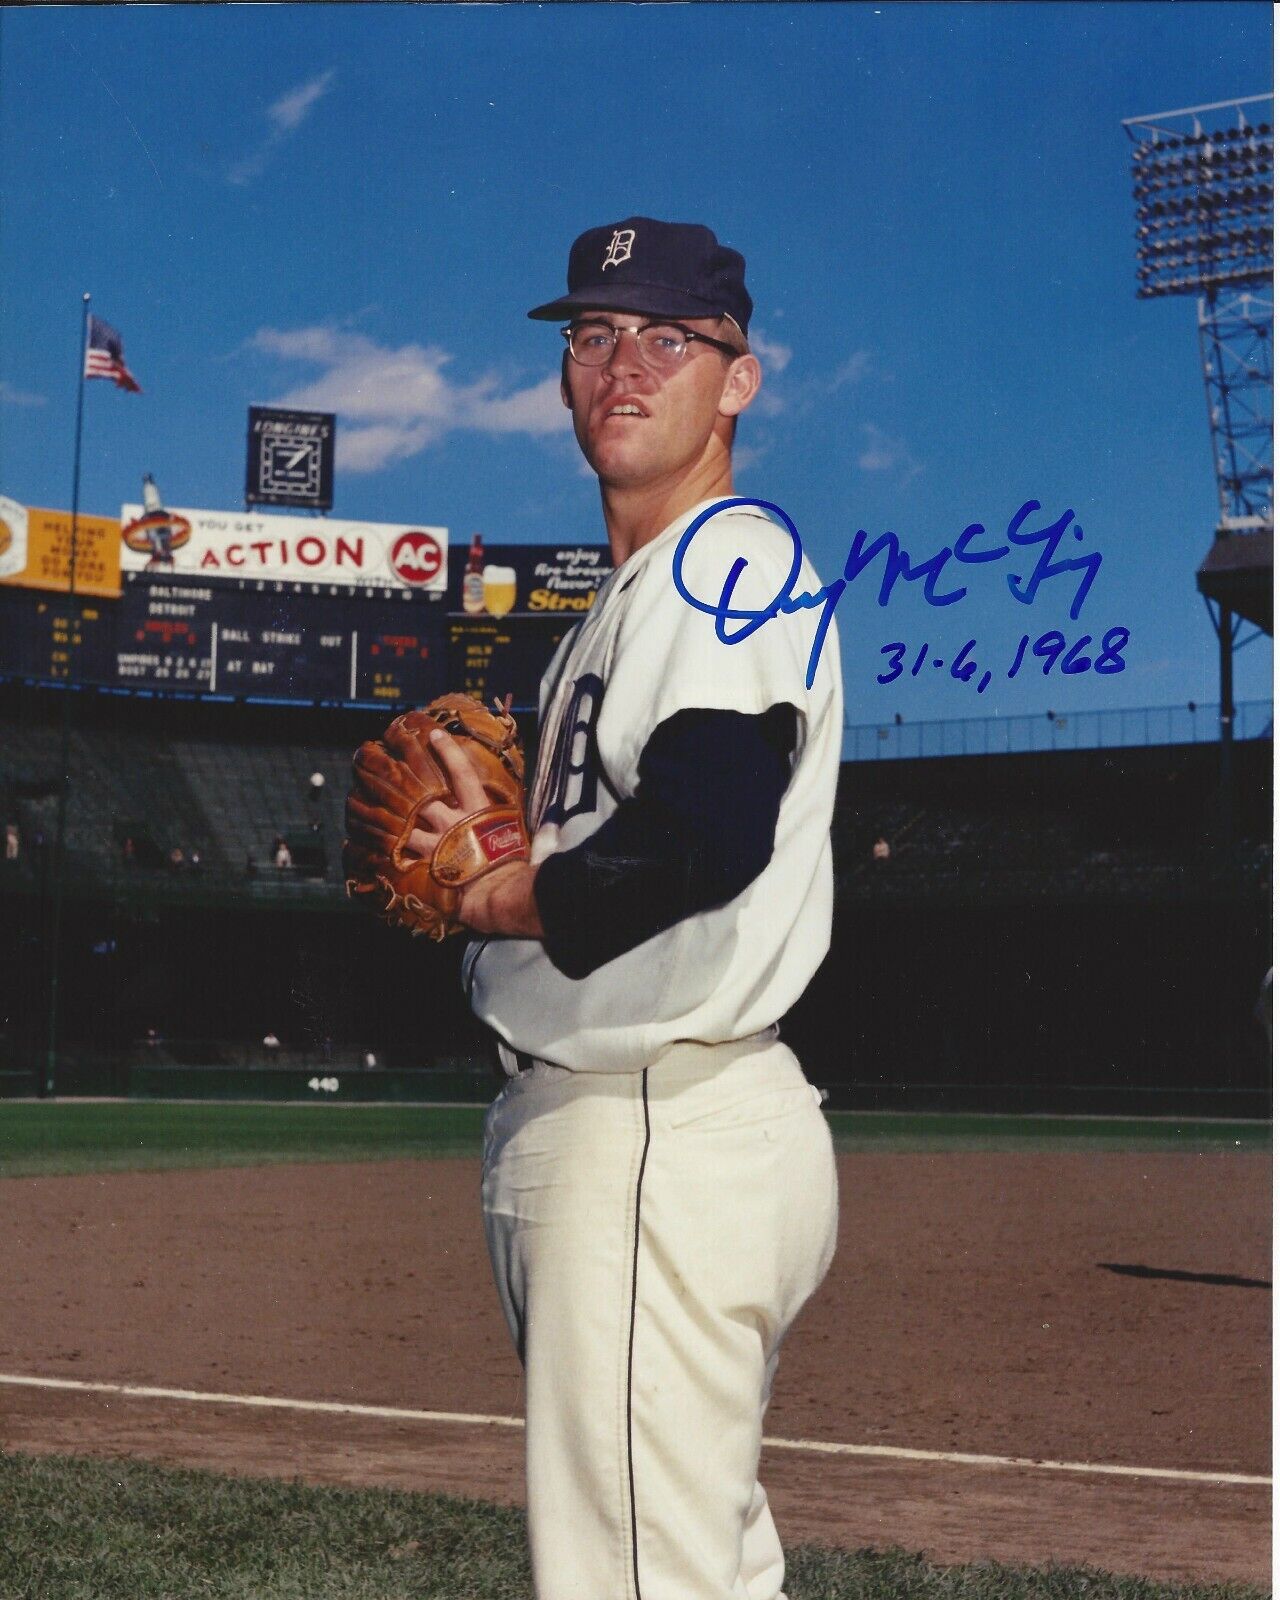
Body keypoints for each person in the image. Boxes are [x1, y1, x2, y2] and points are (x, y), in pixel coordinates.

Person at [406, 216, 842, 1599]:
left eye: (670, 337)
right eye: (593, 334)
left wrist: (506, 891)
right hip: (656, 1133)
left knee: (637, 1578)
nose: (623, 364)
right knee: (694, 1557)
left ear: (739, 380)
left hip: (656, 1129)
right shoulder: (633, 596)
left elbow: (711, 825)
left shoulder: (724, 559)